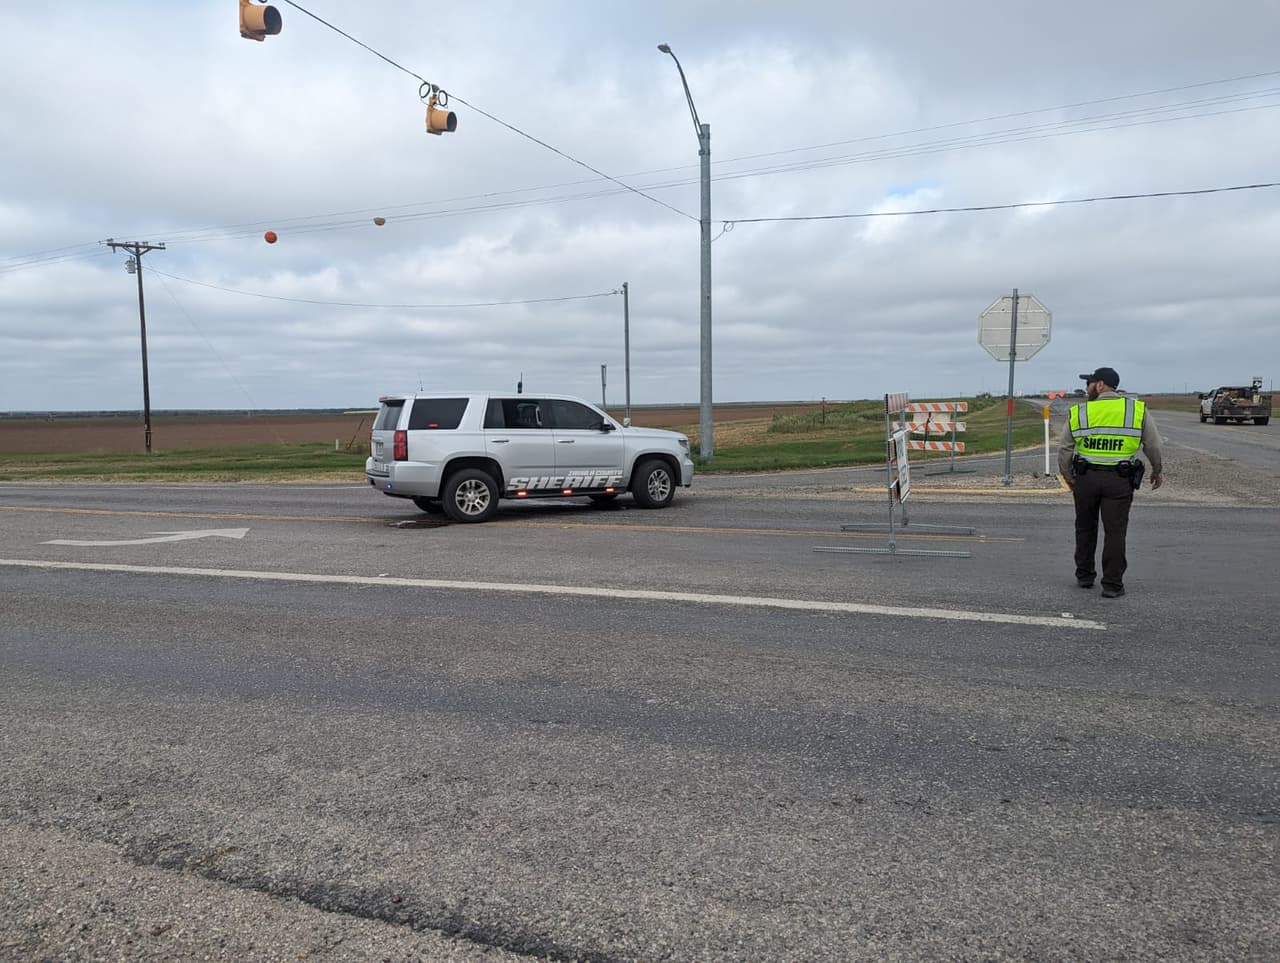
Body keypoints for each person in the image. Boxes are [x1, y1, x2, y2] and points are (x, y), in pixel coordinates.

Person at [1057, 366, 1164, 598]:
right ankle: (1112, 584)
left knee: (1085, 527)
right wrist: (1157, 470)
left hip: (1086, 478)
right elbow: (1153, 445)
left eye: (1089, 383)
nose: (1087, 388)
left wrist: (1068, 477)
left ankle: (1084, 575)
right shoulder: (1136, 410)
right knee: (1115, 532)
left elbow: (1064, 448)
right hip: (1119, 479)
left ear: (1100, 385)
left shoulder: (1080, 412)